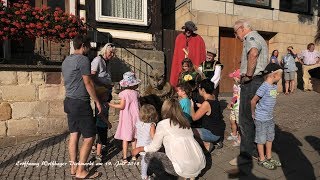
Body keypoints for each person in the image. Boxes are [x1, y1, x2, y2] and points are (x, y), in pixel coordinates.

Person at [131, 99, 206, 180]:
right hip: (199, 162)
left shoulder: (163, 124)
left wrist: (139, 148)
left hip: (182, 167)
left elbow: (154, 147)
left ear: (164, 109)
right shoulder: (185, 121)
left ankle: (159, 177)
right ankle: (190, 176)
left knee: (148, 155)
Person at [62, 35, 102, 179]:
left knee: (74, 134)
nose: (90, 49)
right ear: (84, 45)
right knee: (89, 137)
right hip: (80, 103)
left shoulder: (66, 60)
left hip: (69, 101)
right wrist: (97, 101)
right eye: (88, 46)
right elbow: (88, 83)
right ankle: (81, 171)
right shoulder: (83, 60)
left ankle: (73, 167)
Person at [229, 19, 269, 166]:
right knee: (255, 118)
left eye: (235, 32)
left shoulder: (251, 37)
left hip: (252, 82)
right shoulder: (259, 37)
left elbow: (253, 53)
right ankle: (256, 151)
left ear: (241, 29)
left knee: (245, 119)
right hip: (259, 81)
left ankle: (245, 156)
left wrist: (248, 75)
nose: (236, 36)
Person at [251, 63, 283, 170]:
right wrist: (253, 113)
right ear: (273, 75)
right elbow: (253, 100)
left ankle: (268, 157)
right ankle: (261, 159)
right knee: (261, 139)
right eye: (280, 75)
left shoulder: (273, 86)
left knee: (270, 138)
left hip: (269, 117)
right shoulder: (264, 86)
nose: (281, 78)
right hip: (261, 118)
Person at [108, 71, 140, 163]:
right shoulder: (136, 93)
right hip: (136, 117)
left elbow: (122, 106)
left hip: (127, 117)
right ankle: (134, 155)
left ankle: (125, 158)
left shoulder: (124, 93)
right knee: (134, 136)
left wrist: (111, 105)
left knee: (126, 138)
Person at [190, 79, 225, 152]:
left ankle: (207, 144)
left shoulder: (206, 103)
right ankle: (217, 141)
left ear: (203, 90)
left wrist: (191, 106)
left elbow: (194, 118)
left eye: (199, 88)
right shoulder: (213, 96)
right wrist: (201, 106)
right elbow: (210, 108)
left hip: (212, 133)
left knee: (189, 132)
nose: (198, 89)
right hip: (218, 131)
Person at [170, 21, 206, 87]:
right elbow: (176, 54)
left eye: (190, 30)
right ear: (185, 29)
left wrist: (199, 67)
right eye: (187, 29)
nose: (188, 31)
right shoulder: (179, 38)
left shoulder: (198, 39)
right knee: (180, 83)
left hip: (193, 66)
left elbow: (202, 55)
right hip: (182, 66)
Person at [135, 104, 158, 180]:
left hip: (139, 144)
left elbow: (137, 133)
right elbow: (153, 136)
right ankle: (144, 176)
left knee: (144, 159)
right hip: (146, 146)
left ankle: (145, 170)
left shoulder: (138, 122)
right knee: (145, 160)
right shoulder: (151, 125)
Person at [93, 87, 112, 162]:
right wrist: (108, 123)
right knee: (100, 140)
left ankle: (96, 148)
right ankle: (98, 154)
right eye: (106, 95)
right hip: (100, 124)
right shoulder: (100, 104)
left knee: (101, 139)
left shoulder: (105, 104)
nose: (108, 96)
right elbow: (101, 115)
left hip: (103, 125)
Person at [226, 69, 241, 147]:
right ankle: (234, 134)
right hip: (234, 106)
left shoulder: (243, 86)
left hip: (239, 107)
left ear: (238, 78)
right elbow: (235, 96)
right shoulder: (235, 85)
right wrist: (231, 103)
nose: (232, 78)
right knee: (232, 120)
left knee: (239, 123)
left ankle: (239, 139)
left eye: (234, 77)